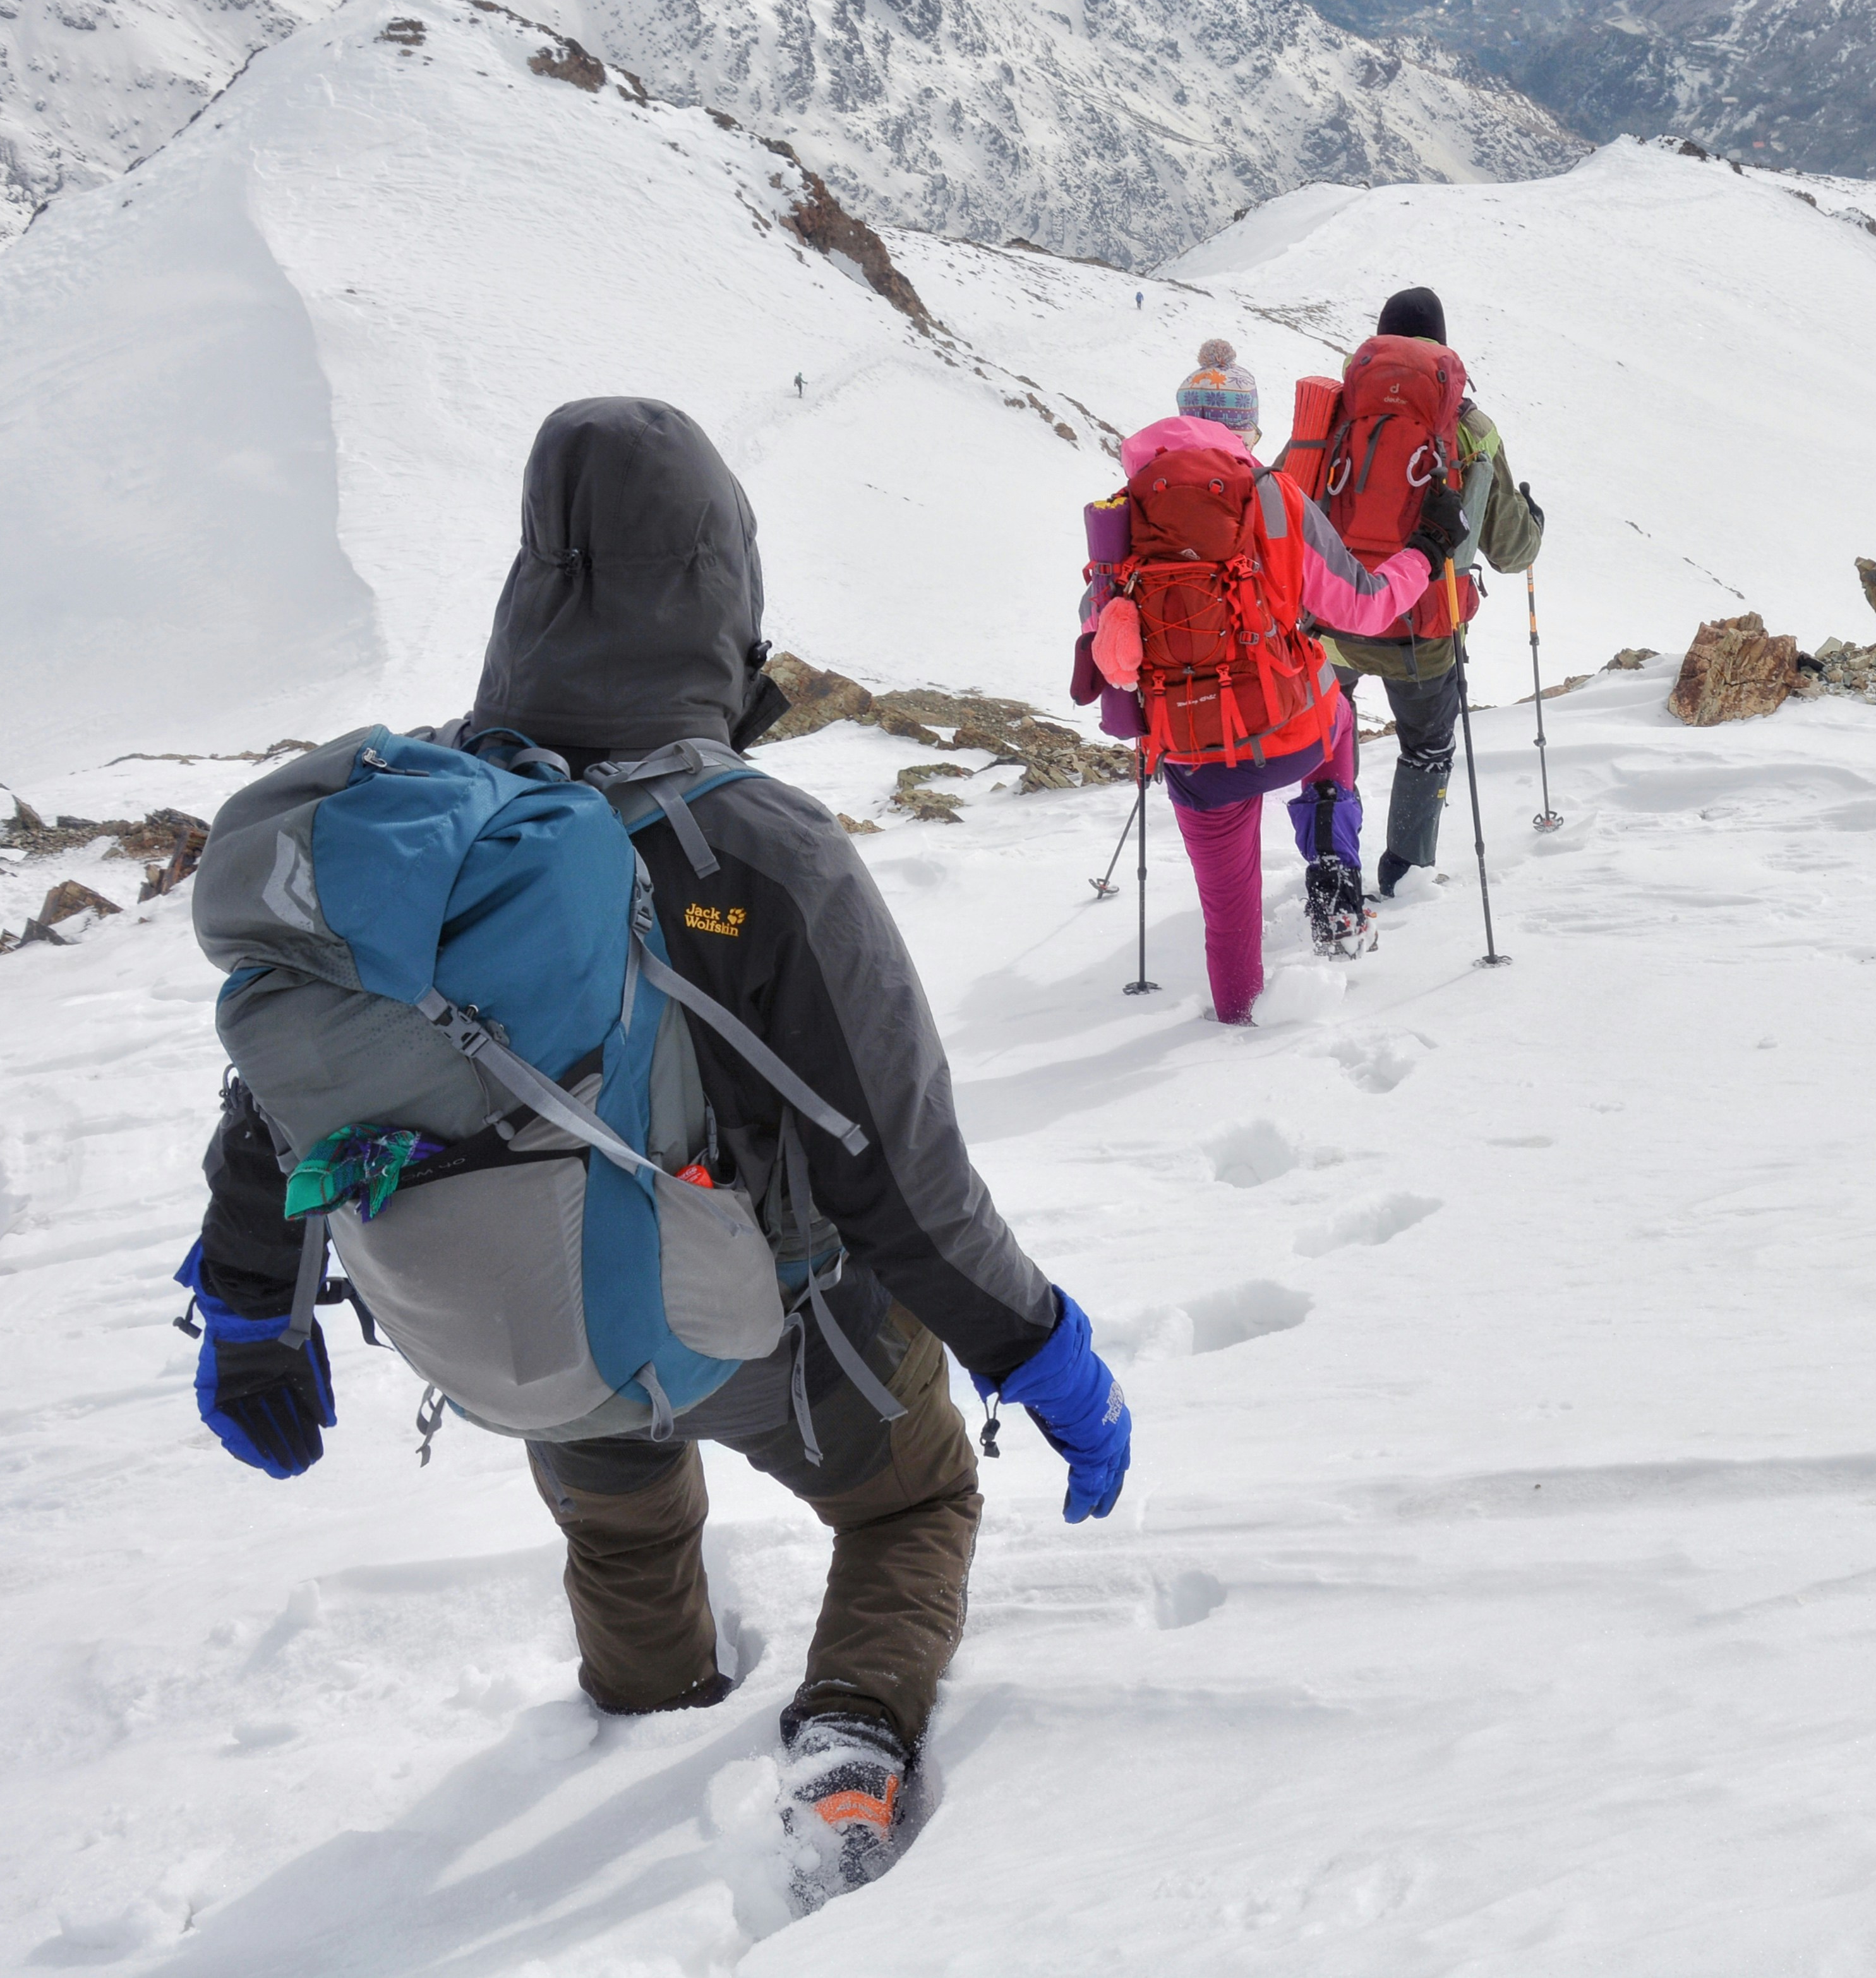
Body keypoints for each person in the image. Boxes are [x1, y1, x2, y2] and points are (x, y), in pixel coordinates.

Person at [175, 397, 1129, 1905]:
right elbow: (901, 1180)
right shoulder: (762, 851)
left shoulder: (425, 830)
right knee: (911, 1501)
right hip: (773, 1330)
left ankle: (644, 1709)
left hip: (530, 1323)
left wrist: (250, 1314)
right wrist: (1042, 1352)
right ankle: (847, 1745)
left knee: (622, 1526)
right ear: (719, 591)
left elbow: (281, 1100)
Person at [1085, 340, 1458, 1021]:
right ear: (1247, 432)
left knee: (1228, 913)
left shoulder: (1121, 513)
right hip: (1292, 733)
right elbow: (1363, 607)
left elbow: (1101, 630)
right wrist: (1424, 555)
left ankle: (1236, 1023)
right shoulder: (1275, 496)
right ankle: (1334, 871)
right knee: (1337, 712)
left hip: (1193, 751)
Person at [1311, 287, 1544, 900]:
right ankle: (1405, 874)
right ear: (1441, 345)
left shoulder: (1332, 413)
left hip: (1332, 618)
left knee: (1330, 737)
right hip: (1424, 627)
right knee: (1426, 746)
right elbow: (1510, 550)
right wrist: (1534, 524)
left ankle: (1332, 865)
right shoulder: (1470, 429)